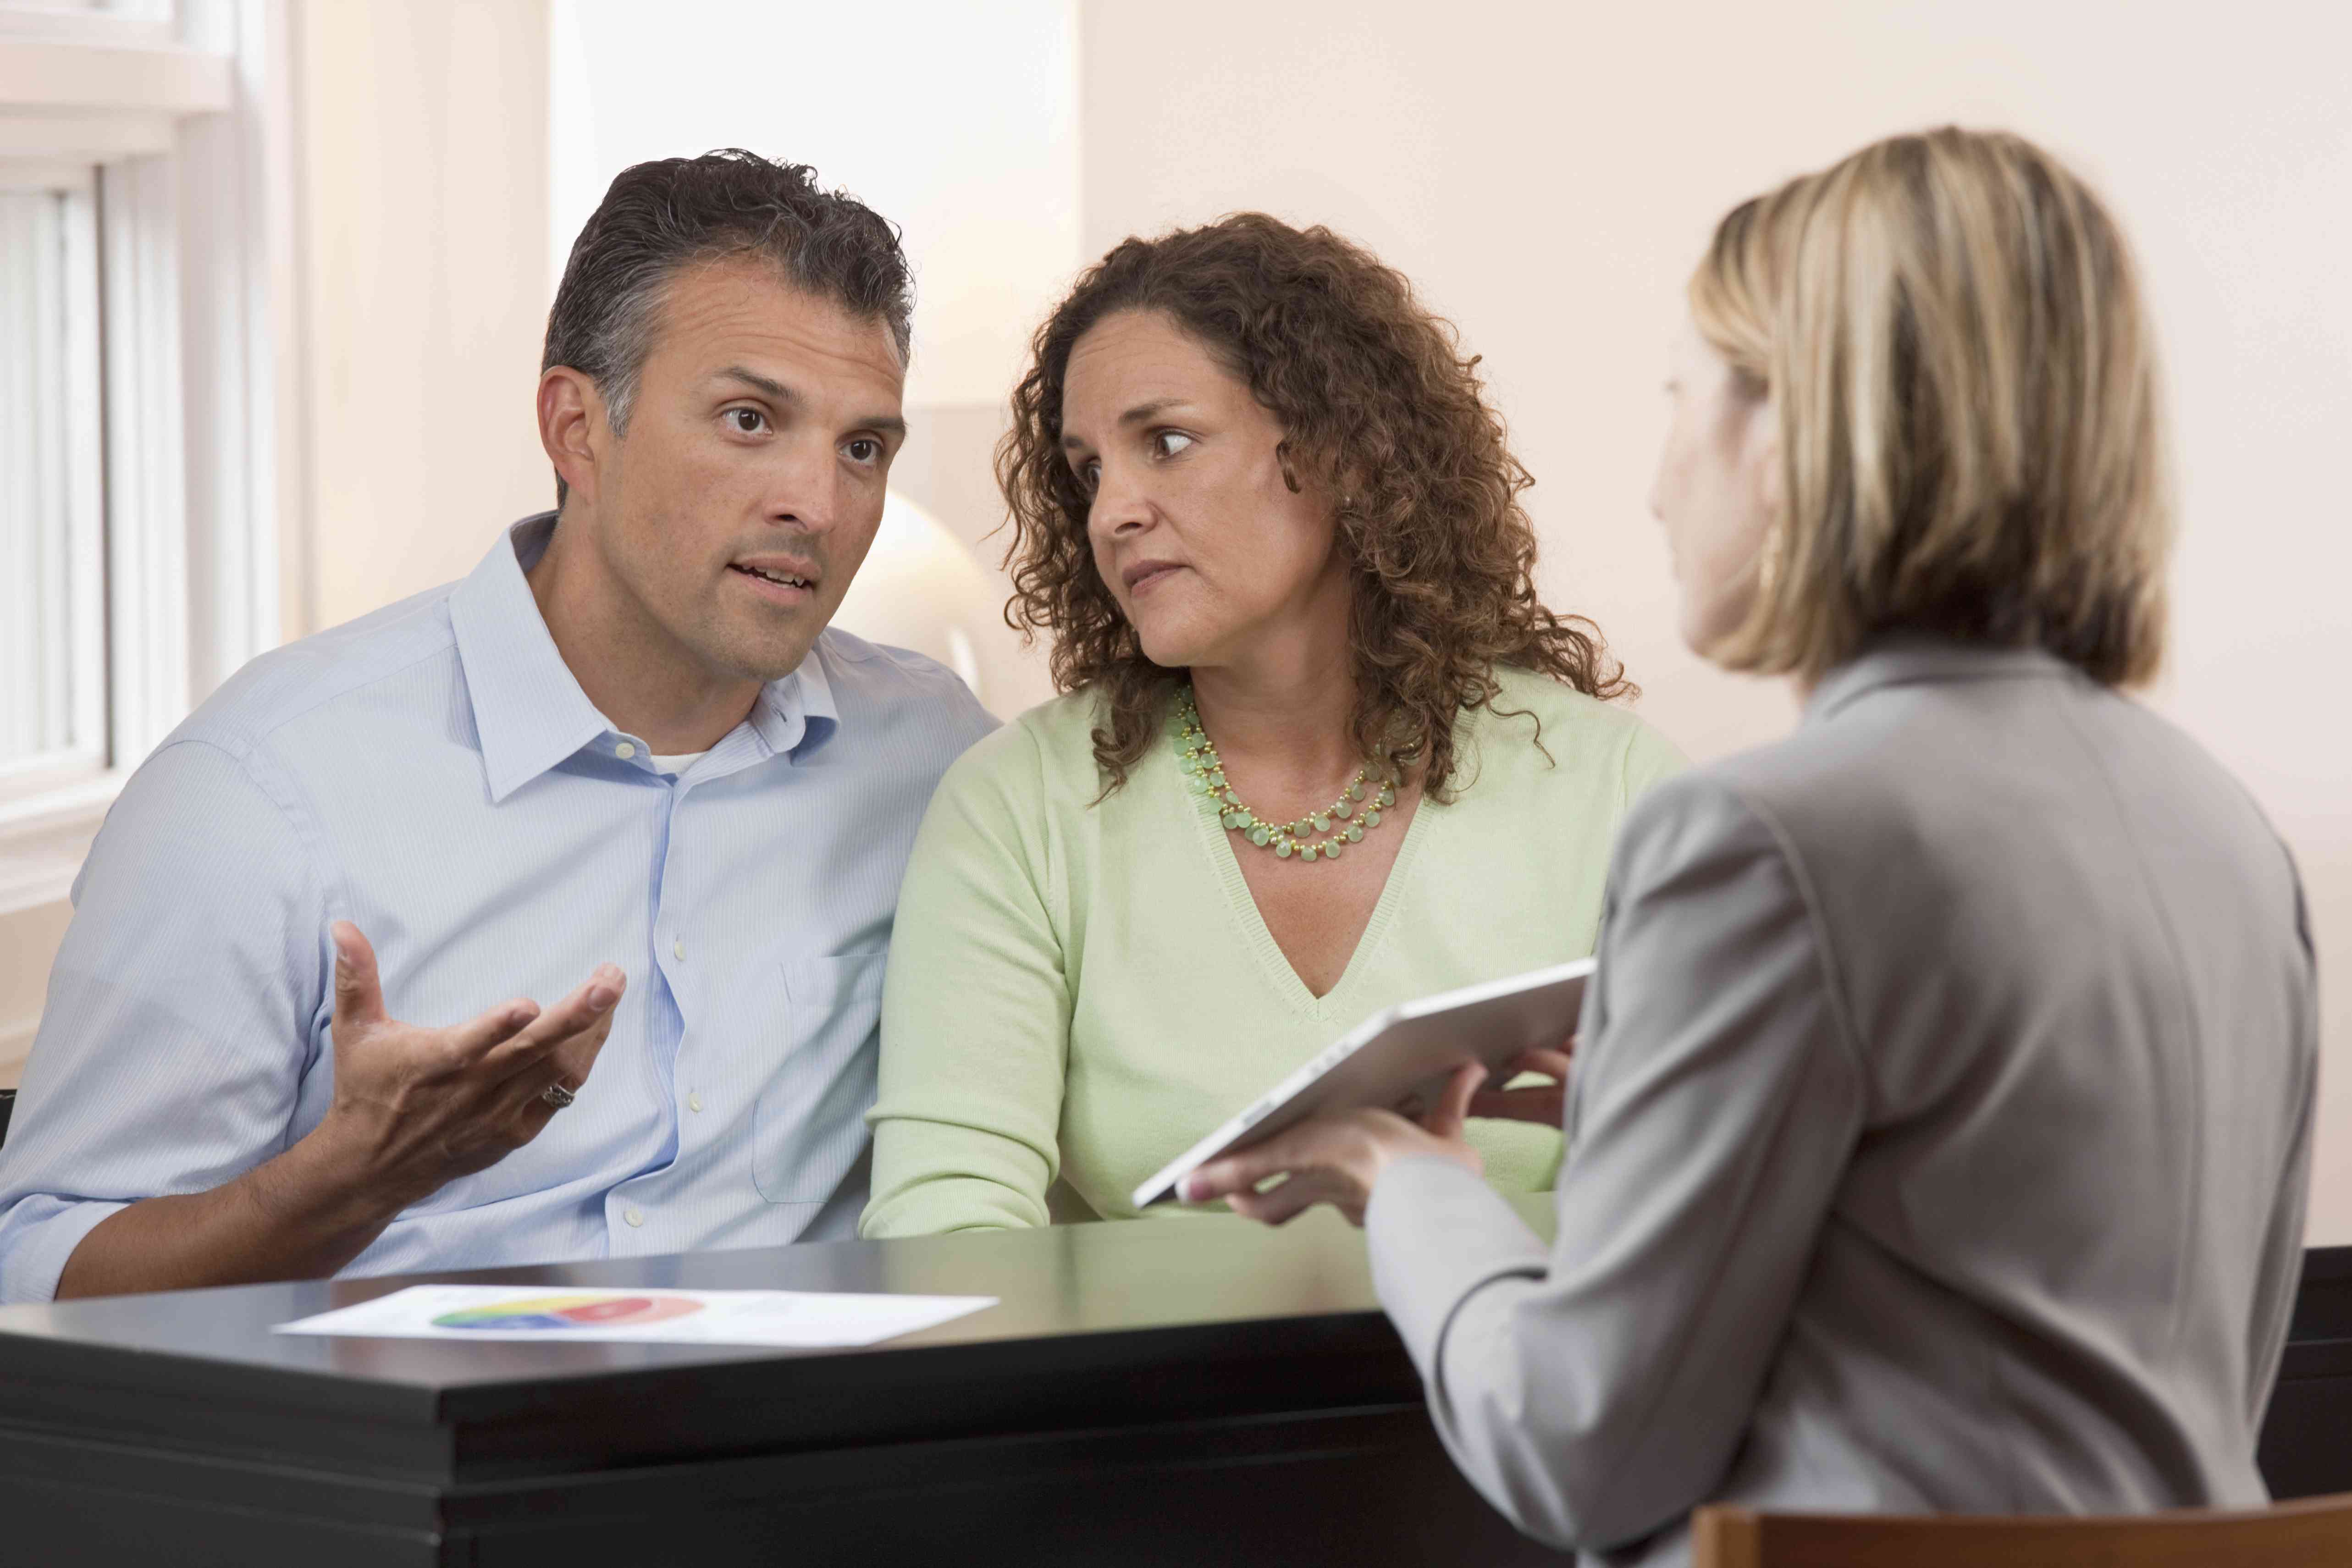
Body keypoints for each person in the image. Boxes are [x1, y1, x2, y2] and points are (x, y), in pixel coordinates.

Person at [1182, 128, 2319, 1562]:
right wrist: (1649, 1122)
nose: (1659, 486)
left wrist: (1405, 1181)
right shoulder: (2217, 828)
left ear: (1794, 424)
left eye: (1680, 399)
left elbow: (1571, 1445)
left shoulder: (1761, 841)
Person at [0, 151, 994, 1303]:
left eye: (862, 447)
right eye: (747, 419)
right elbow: (32, 1272)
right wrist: (347, 1182)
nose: (817, 505)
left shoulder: (937, 760)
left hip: (809, 1458)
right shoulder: (264, 788)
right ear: (577, 429)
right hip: (401, 1463)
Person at [861, 215, 1684, 1238]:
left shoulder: (1612, 790)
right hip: (1144, 1399)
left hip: (1513, 1388)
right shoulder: (1018, 807)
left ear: (1344, 450)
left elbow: (1704, 1209)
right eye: (1089, 471)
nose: (1114, 509)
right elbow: (944, 1224)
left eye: (1165, 443)